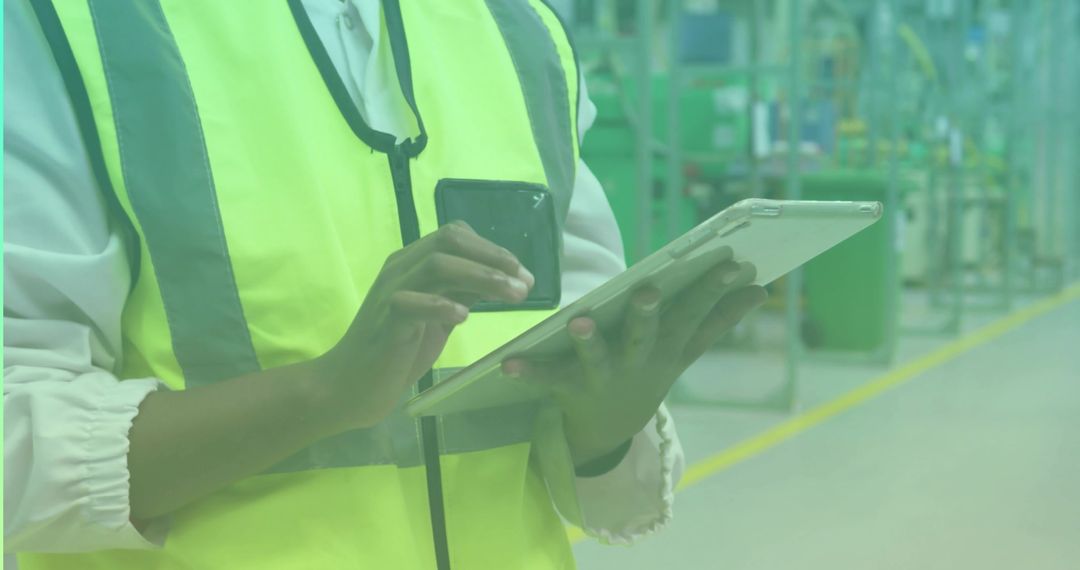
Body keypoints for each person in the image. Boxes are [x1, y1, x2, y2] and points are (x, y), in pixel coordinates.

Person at [2, 0, 767, 568]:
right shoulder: (76, 30)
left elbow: (572, 446)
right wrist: (321, 395)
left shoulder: (517, 34)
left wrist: (605, 424)